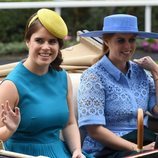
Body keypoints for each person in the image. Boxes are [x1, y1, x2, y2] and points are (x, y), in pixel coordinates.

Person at [0, 8, 90, 158]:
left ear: (59, 46)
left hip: (60, 151)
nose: (46, 47)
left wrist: (76, 151)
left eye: (52, 41)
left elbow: (69, 123)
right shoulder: (11, 85)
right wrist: (10, 129)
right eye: (39, 40)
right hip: (23, 155)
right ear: (28, 41)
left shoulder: (63, 77)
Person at [77, 14, 158, 157]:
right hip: (106, 150)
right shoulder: (93, 77)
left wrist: (155, 71)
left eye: (131, 40)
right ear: (106, 41)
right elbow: (94, 130)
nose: (127, 46)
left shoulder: (141, 72)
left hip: (142, 141)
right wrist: (137, 148)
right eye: (120, 40)